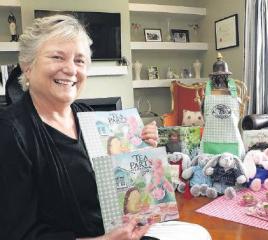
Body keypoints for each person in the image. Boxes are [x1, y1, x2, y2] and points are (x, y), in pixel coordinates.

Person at [0, 15, 159, 240]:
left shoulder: (90, 117)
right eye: (57, 57)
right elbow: (16, 234)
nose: (71, 69)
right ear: (27, 66)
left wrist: (141, 147)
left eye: (80, 60)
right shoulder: (10, 132)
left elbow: (118, 184)